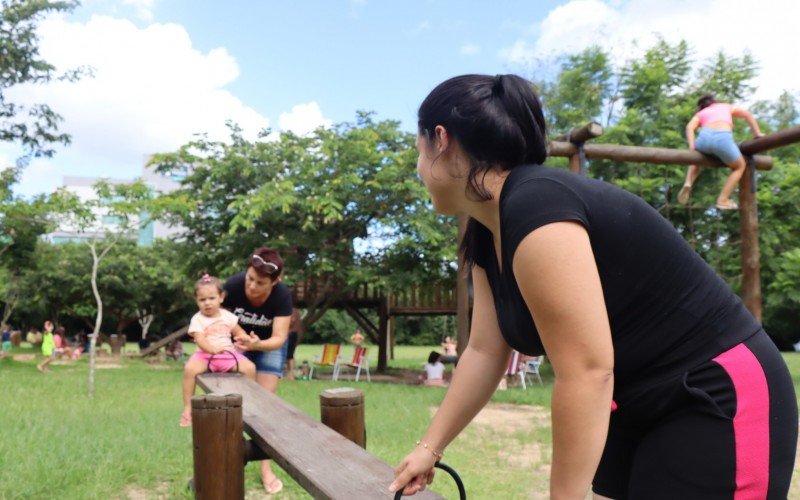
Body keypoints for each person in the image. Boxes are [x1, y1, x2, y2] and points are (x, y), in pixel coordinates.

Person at [389, 74, 797, 498]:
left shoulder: (536, 206)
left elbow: (587, 371)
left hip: (717, 391)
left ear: (441, 139)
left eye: (416, 148)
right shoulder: (483, 233)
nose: (417, 166)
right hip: (634, 401)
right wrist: (429, 448)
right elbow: (485, 349)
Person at [224, 247, 292, 495]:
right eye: (250, 278)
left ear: (275, 282)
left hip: (267, 347)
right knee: (230, 400)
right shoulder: (232, 285)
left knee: (264, 407)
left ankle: (265, 467)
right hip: (236, 344)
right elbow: (212, 314)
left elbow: (279, 338)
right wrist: (235, 339)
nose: (251, 286)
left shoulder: (282, 296)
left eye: (260, 283)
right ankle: (228, 459)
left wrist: (257, 344)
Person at [180, 274, 256, 427]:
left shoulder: (228, 316)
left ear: (221, 297)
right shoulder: (198, 319)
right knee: (189, 370)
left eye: (212, 298)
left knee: (250, 368)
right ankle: (188, 407)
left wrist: (244, 337)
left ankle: (250, 404)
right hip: (205, 356)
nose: (207, 303)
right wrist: (212, 350)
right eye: (202, 300)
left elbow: (238, 331)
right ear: (196, 301)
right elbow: (200, 339)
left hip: (228, 356)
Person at [678, 93, 765, 210]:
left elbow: (689, 127)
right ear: (714, 101)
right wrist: (757, 133)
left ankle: (688, 182)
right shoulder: (725, 106)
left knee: (696, 158)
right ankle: (723, 199)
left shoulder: (701, 113)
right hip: (723, 138)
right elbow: (747, 114)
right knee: (740, 166)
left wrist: (692, 145)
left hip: (704, 138)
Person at [285, 306, 303, 381]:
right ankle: (289, 374)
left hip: (290, 334)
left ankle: (291, 375)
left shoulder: (292, 310)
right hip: (292, 334)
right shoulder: (296, 311)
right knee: (289, 355)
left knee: (289, 355)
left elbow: (291, 320)